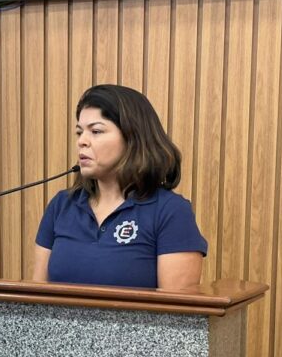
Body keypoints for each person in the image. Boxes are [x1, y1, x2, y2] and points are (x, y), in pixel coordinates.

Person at [33, 85, 207, 290]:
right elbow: (38, 298)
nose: (82, 141)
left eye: (96, 131)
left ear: (133, 138)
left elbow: (177, 314)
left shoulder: (170, 212)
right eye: (79, 132)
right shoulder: (61, 205)